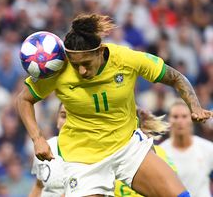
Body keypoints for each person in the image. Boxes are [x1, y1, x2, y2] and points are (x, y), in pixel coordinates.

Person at [16, 14, 212, 197]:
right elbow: (23, 100)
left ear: (100, 51)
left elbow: (176, 77)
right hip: (83, 160)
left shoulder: (127, 60)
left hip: (127, 148)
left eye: (86, 63)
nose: (81, 70)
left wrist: (194, 106)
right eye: (75, 65)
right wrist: (37, 138)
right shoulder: (57, 69)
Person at [29, 104, 176, 197]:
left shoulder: (102, 153)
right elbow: (38, 186)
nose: (67, 122)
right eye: (63, 116)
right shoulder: (45, 148)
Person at [160, 100, 213, 197]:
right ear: (169, 120)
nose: (180, 121)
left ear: (191, 119)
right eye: (175, 117)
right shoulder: (160, 153)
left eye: (184, 116)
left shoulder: (208, 149)